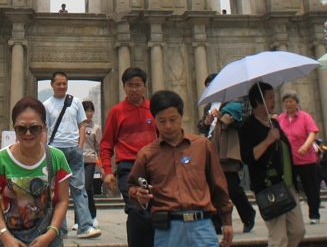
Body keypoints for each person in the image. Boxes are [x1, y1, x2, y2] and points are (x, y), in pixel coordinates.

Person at [127, 90, 234, 247]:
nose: (168, 126)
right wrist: (138, 194)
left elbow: (218, 185)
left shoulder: (202, 146)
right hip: (168, 230)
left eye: (173, 119)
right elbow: (132, 186)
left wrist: (227, 222)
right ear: (154, 119)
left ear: (181, 116)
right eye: (162, 121)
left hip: (202, 226)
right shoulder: (147, 154)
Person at [0, 97, 70, 247]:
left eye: (34, 128)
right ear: (14, 128)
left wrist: (51, 234)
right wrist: (5, 237)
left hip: (46, 237)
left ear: (44, 127)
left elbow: (63, 200)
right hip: (9, 237)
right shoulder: (2, 159)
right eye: (21, 128)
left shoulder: (57, 158)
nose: (28, 133)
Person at [239, 83, 305, 247]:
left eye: (273, 97)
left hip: (288, 185)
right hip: (269, 188)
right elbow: (247, 157)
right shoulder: (248, 127)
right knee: (278, 237)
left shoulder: (273, 123)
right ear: (257, 101)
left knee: (298, 231)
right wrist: (268, 140)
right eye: (270, 97)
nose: (274, 101)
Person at [99, 67, 157, 247]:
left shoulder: (154, 110)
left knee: (155, 209)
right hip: (128, 168)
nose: (134, 89)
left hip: (154, 166)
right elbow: (106, 144)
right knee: (136, 208)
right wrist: (108, 171)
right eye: (130, 85)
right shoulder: (117, 112)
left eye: (138, 85)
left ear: (145, 87)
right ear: (123, 87)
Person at [43, 72, 101, 239]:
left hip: (74, 150)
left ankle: (85, 226)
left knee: (79, 189)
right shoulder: (47, 105)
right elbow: (45, 129)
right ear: (52, 84)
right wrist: (45, 149)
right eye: (59, 84)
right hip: (55, 151)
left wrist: (80, 146)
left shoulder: (75, 102)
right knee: (57, 191)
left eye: (64, 83)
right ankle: (59, 229)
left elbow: (82, 125)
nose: (62, 86)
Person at [210, 99, 257, 233]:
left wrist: (224, 116)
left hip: (229, 151)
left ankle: (247, 214)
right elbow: (202, 126)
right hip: (214, 147)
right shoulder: (210, 105)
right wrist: (207, 122)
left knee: (232, 187)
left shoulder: (241, 102)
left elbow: (244, 122)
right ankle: (217, 222)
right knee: (215, 187)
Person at [277, 90, 321, 224]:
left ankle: (314, 214)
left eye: (291, 101)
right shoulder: (281, 118)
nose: (289, 104)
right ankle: (291, 215)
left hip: (305, 158)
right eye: (286, 102)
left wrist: (306, 146)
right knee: (289, 188)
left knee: (310, 188)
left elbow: (312, 132)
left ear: (296, 102)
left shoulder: (304, 117)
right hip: (289, 160)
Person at [80, 101, 102, 229]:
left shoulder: (96, 128)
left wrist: (103, 165)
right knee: (79, 189)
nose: (89, 113)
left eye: (90, 111)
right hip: (77, 160)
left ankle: (93, 216)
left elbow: (99, 147)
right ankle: (79, 220)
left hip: (90, 160)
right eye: (86, 111)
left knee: (87, 187)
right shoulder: (76, 126)